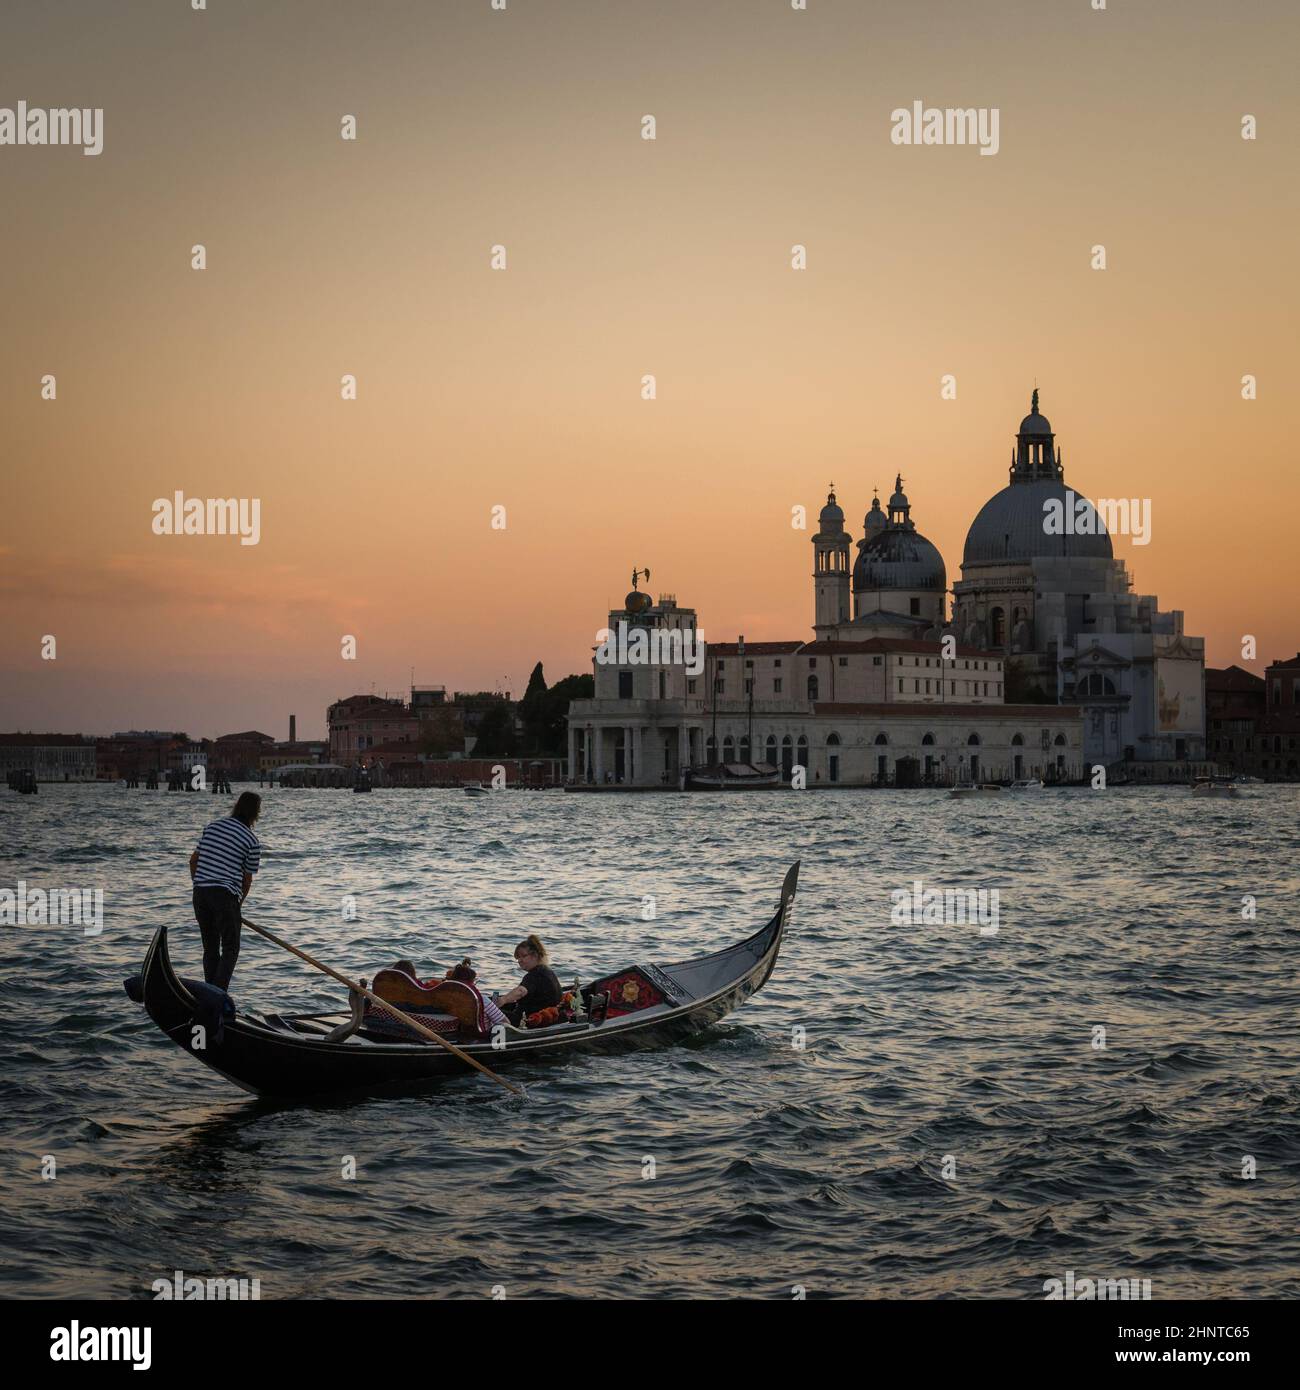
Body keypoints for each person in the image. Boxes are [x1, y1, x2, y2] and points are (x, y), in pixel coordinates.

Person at [188, 792, 261, 991]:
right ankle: (217, 995)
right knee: (230, 948)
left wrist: (201, 883)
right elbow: (246, 882)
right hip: (224, 895)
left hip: (200, 893)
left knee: (210, 948)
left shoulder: (212, 827)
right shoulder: (252, 841)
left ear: (236, 806)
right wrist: (237, 906)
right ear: (256, 814)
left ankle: (209, 993)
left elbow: (193, 861)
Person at [498, 934, 561, 1025]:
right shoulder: (547, 971)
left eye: (523, 956)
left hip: (528, 1020)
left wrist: (504, 999)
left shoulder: (534, 975)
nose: (520, 960)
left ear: (535, 955)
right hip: (545, 1017)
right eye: (518, 958)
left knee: (488, 1012)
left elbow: (521, 991)